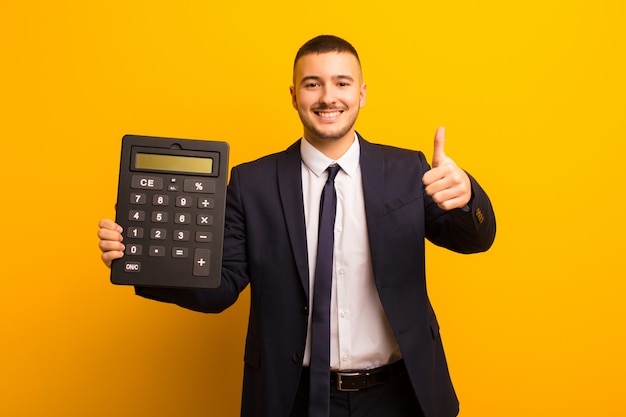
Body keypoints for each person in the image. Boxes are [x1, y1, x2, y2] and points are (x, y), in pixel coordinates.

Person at [98, 35, 496, 417]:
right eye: (312, 84)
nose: (328, 97)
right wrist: (141, 259)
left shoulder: (408, 171)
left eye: (342, 82)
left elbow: (474, 240)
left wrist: (467, 197)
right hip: (291, 397)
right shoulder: (251, 184)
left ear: (362, 94)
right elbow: (219, 288)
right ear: (293, 96)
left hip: (400, 395)